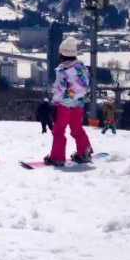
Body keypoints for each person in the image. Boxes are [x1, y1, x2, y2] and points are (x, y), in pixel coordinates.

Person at [44, 38, 94, 167]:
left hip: (64, 107)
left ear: (61, 54)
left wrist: (53, 103)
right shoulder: (82, 68)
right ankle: (84, 153)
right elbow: (85, 86)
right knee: (77, 129)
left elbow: (60, 90)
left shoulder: (62, 71)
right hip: (78, 105)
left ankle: (57, 157)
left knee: (59, 130)